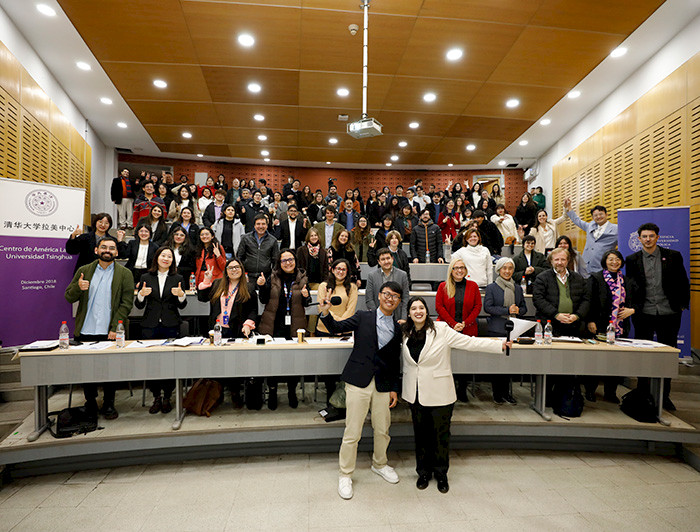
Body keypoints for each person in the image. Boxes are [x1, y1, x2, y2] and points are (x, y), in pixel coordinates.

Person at [402, 296, 506, 493]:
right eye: (413, 308)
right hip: (415, 393)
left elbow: (469, 343)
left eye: (421, 307)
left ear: (427, 310)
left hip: (440, 393)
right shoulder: (405, 333)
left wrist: (498, 345)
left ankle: (441, 474)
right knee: (421, 436)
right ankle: (423, 473)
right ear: (408, 313)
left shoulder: (441, 330)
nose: (418, 311)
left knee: (440, 436)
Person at [319, 281, 404, 500]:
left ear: (399, 301)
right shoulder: (363, 316)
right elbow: (337, 327)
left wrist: (395, 388)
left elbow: (395, 361)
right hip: (358, 381)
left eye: (395, 296)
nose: (390, 298)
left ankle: (380, 463)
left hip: (383, 385)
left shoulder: (398, 327)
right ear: (379, 296)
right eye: (386, 294)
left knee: (382, 429)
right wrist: (326, 312)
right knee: (352, 432)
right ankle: (345, 474)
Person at [64, 236, 134, 420]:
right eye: (104, 247)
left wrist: (115, 328)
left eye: (112, 248)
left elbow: (126, 303)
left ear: (117, 252)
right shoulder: (84, 271)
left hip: (109, 331)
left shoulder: (125, 274)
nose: (108, 251)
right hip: (86, 329)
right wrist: (79, 288)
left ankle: (109, 403)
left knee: (109, 369)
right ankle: (91, 403)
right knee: (87, 370)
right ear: (96, 250)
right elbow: (69, 297)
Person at [625, 222, 690, 411]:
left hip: (669, 313)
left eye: (651, 236)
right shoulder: (632, 259)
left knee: (666, 357)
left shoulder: (673, 256)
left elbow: (683, 281)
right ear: (639, 239)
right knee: (644, 356)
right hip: (643, 313)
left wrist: (682, 305)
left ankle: (664, 395)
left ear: (657, 238)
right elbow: (631, 287)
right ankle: (643, 392)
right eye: (644, 236)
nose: (647, 239)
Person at [198, 258, 260, 409]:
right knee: (217, 362)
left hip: (236, 330)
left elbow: (253, 310)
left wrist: (248, 325)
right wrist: (206, 280)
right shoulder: (218, 284)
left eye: (237, 267)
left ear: (242, 269)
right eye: (230, 268)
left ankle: (235, 392)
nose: (234, 270)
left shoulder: (249, 287)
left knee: (235, 362)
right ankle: (217, 393)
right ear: (226, 271)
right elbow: (202, 298)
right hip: (217, 330)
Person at [134, 247, 187, 414]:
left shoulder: (177, 278)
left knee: (170, 362)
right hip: (150, 326)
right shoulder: (145, 277)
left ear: (173, 261)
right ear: (157, 258)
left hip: (171, 325)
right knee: (152, 364)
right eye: (163, 255)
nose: (166, 258)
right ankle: (156, 396)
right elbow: (139, 305)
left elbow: (182, 305)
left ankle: (167, 397)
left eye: (169, 256)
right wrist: (141, 295)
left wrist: (181, 295)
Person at [257, 249, 312, 410]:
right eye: (284, 260)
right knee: (273, 360)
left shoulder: (302, 278)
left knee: (293, 361)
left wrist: (306, 296)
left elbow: (306, 303)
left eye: (290, 259)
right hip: (274, 325)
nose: (288, 263)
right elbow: (263, 299)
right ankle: (272, 391)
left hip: (295, 325)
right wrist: (262, 287)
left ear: (295, 260)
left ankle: (291, 391)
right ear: (279, 263)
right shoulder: (272, 277)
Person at [586, 250, 635, 403]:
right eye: (611, 259)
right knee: (595, 360)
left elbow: (634, 300)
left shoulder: (626, 281)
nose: (614, 262)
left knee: (616, 361)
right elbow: (589, 300)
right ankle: (590, 390)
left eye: (617, 259)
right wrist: (590, 320)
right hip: (599, 325)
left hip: (619, 327)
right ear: (605, 261)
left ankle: (610, 392)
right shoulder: (596, 278)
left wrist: (631, 310)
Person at [434, 257, 482, 402]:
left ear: (466, 270)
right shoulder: (443, 286)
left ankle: (462, 390)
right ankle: (446, 390)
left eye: (462, 268)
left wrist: (465, 323)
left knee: (464, 362)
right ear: (451, 271)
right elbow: (439, 307)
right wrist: (453, 323)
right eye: (456, 268)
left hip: (468, 329)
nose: (459, 270)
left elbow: (477, 306)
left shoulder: (473, 286)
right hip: (447, 329)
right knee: (446, 361)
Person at [484, 257, 527, 404]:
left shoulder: (518, 288)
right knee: (497, 364)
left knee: (510, 364)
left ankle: (507, 393)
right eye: (504, 268)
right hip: (496, 329)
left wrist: (517, 311)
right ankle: (497, 394)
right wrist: (506, 310)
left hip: (513, 329)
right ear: (499, 270)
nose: (507, 271)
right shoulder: (492, 287)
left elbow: (524, 308)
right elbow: (488, 308)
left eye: (510, 268)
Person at [316, 259, 359, 401]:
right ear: (332, 270)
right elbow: (321, 308)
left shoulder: (352, 287)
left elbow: (351, 309)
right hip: (324, 331)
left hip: (345, 332)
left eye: (344, 269)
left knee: (343, 366)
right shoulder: (324, 286)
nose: (340, 272)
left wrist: (340, 325)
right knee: (328, 367)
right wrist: (333, 322)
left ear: (347, 272)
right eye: (338, 269)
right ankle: (330, 397)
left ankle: (342, 399)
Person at [532, 247, 590, 337]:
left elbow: (586, 300)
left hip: (574, 326)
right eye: (556, 259)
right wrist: (556, 315)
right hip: (550, 325)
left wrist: (576, 316)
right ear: (551, 261)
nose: (560, 262)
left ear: (567, 261)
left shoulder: (578, 278)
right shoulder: (542, 278)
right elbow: (538, 300)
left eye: (563, 259)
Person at [563, 199, 618, 274]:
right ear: (593, 217)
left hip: (602, 267)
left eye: (601, 214)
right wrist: (569, 208)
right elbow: (577, 221)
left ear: (606, 214)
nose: (598, 217)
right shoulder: (590, 226)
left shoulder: (616, 229)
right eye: (595, 215)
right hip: (585, 267)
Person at [365, 248, 410, 321]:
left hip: (397, 317)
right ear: (379, 262)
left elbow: (405, 298)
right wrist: (377, 316)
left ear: (392, 259)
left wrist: (403, 318)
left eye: (388, 258)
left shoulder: (402, 275)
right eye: (383, 259)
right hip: (378, 318)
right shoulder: (372, 276)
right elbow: (369, 299)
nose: (386, 261)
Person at [236, 213, 279, 280]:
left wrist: (271, 276)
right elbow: (239, 257)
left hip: (265, 276)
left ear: (267, 225)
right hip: (248, 276)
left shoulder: (273, 240)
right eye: (258, 224)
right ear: (254, 225)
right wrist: (242, 273)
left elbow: (275, 260)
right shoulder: (246, 238)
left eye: (263, 224)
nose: (261, 226)